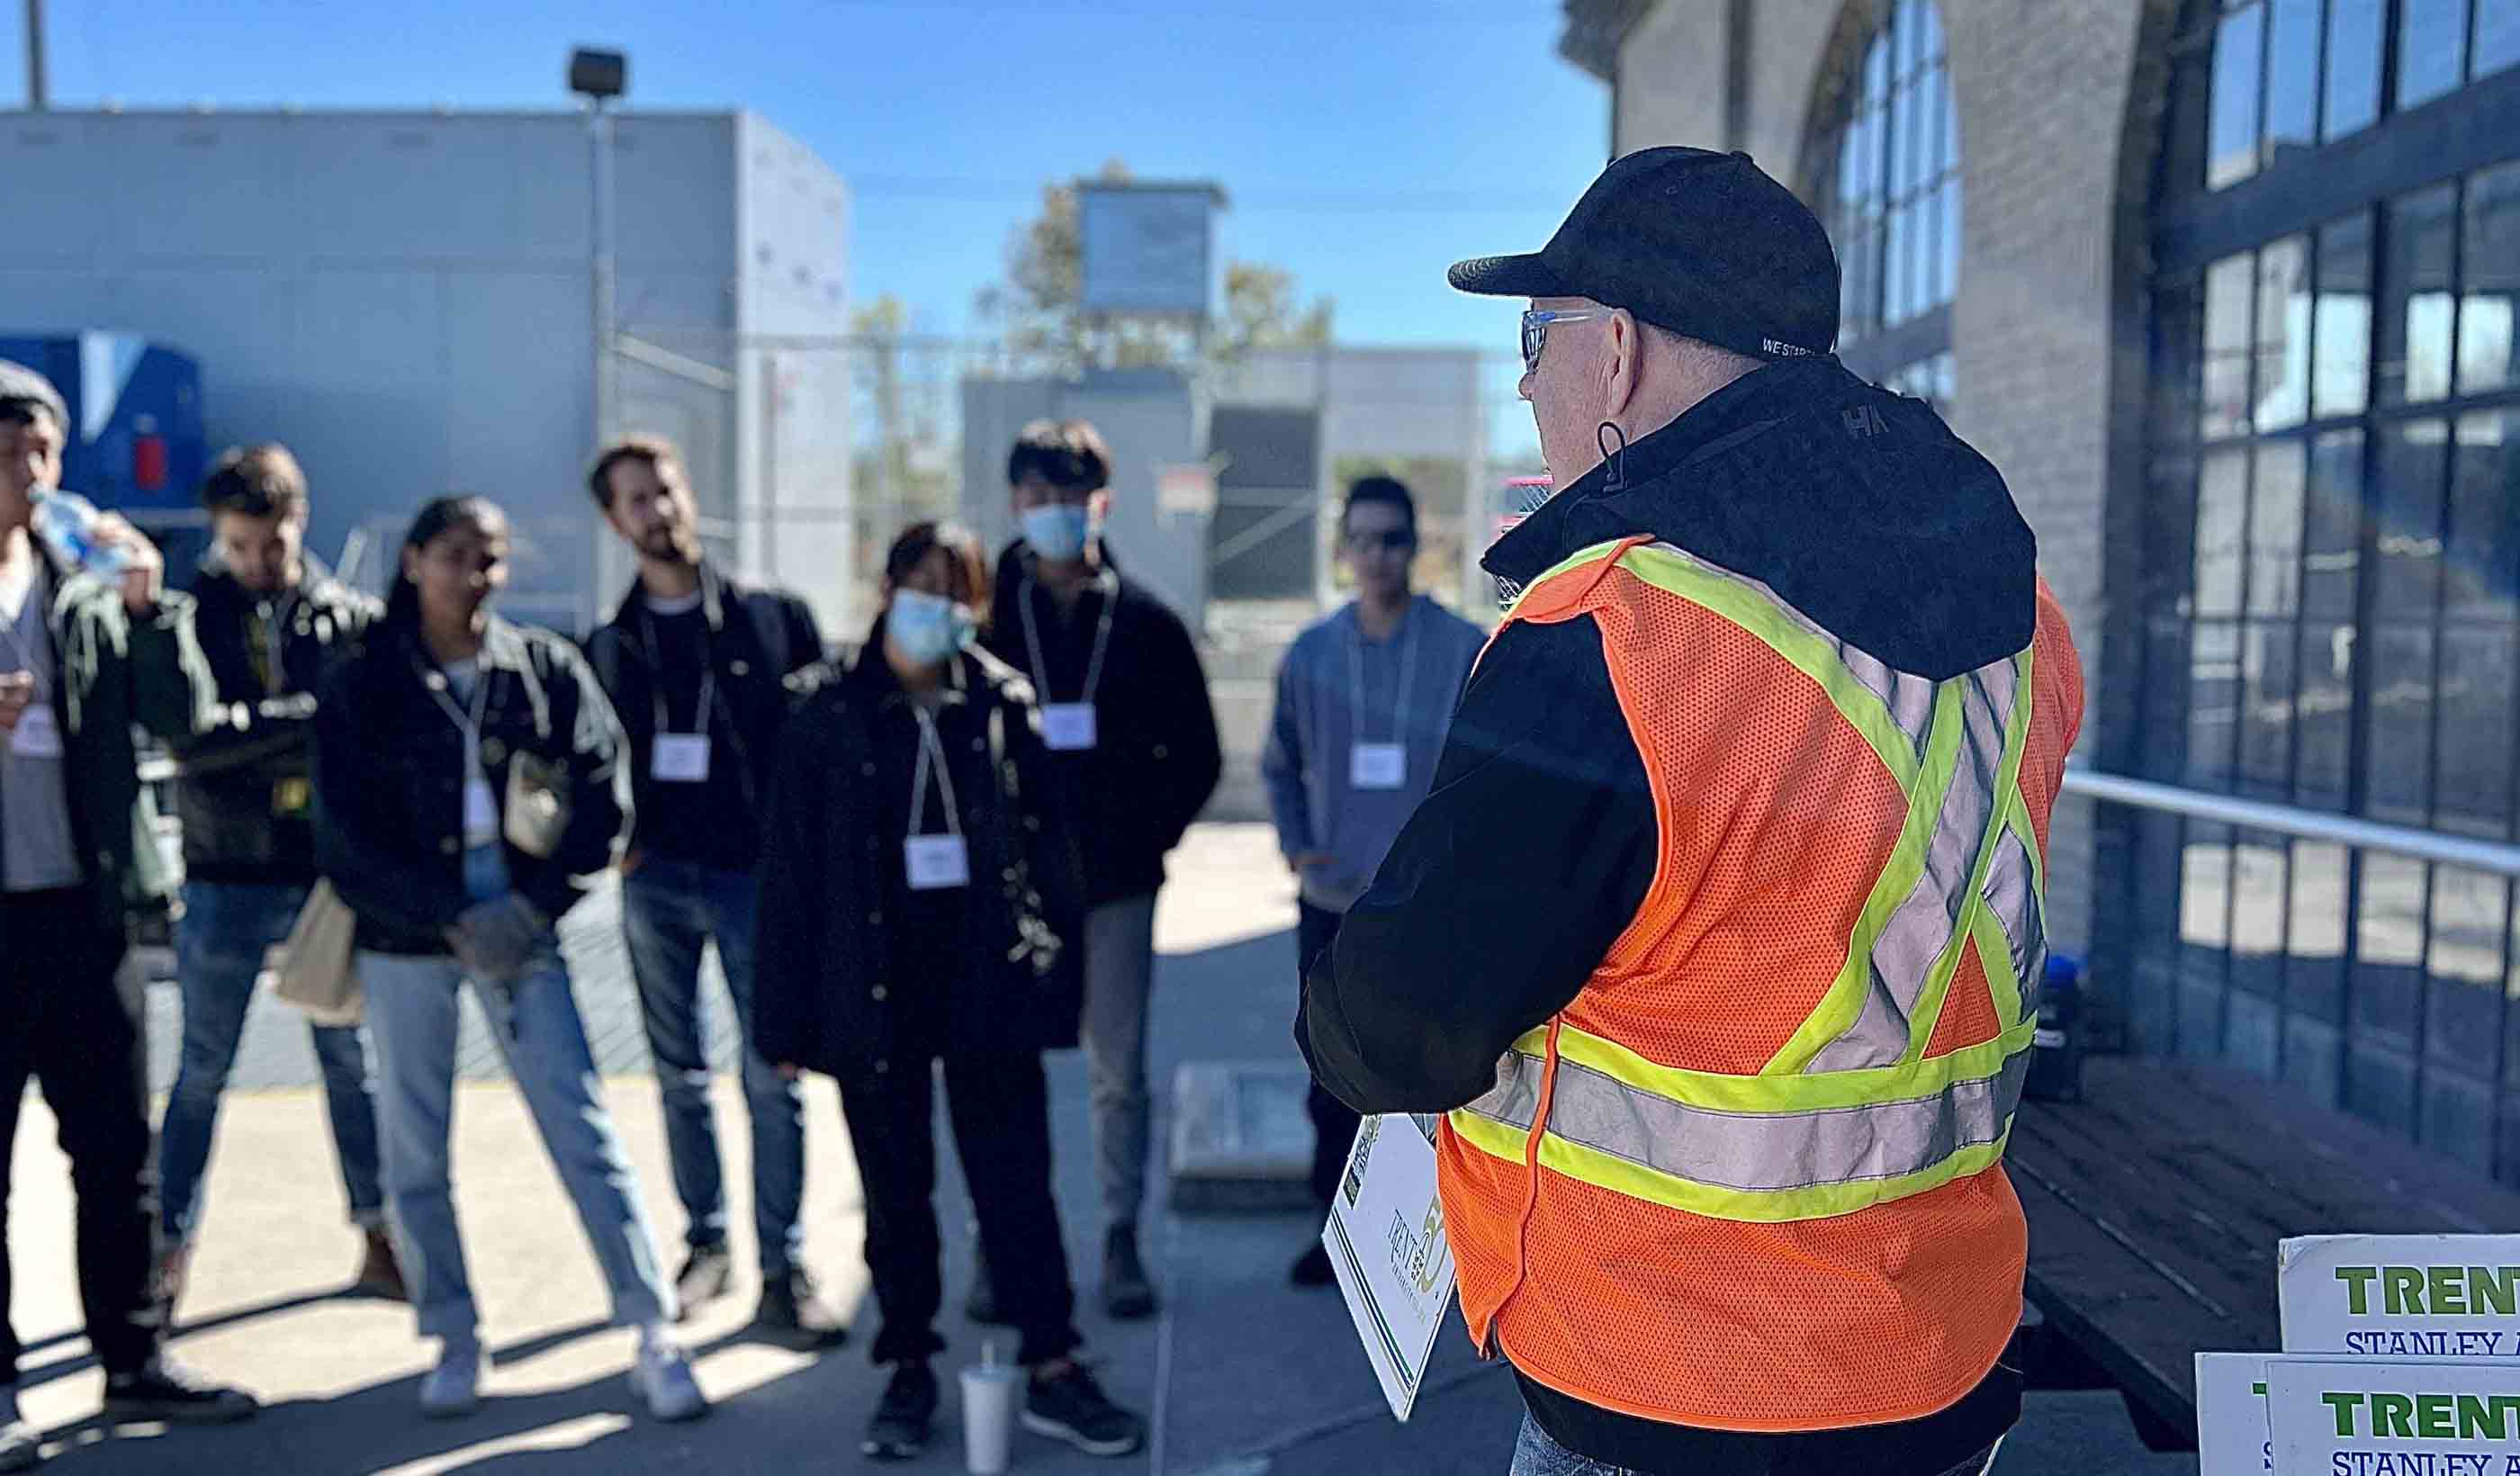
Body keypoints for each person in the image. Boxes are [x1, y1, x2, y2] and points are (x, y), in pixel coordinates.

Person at [1299, 148, 2083, 1476]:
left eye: (1536, 342)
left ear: (1614, 352)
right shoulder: (2026, 621)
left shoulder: (1617, 632)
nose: (1526, 382)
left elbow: (1399, 1030)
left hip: (1668, 1377)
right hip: (1936, 1357)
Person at [755, 523, 1146, 1461]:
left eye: (958, 591)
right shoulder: (824, 711)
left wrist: (1053, 977)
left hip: (984, 981)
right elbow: (790, 876)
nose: (941, 607)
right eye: (923, 585)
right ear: (886, 586)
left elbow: (1052, 855)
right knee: (896, 1192)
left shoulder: (1000, 701)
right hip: (871, 984)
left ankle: (1052, 1359)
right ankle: (907, 1366)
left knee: (1015, 1182)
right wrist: (783, 1015)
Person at [311, 495, 705, 1423]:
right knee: (415, 1142)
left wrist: (530, 907)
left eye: (488, 559)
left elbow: (604, 796)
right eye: (454, 556)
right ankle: (452, 1332)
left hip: (521, 929)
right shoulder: (364, 678)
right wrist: (444, 913)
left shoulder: (539, 668)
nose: (474, 575)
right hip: (410, 934)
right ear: (412, 562)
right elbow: (343, 834)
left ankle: (651, 1325)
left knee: (581, 1125)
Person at [0, 362, 257, 1473]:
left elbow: (187, 717)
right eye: (7, 451)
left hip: (87, 909)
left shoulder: (87, 583)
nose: (27, 472)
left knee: (118, 1152)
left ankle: (136, 1355)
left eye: (41, 452)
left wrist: (155, 610)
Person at [583, 435, 838, 1342]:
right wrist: (611, 843)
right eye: (635, 500)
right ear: (615, 521)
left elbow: (822, 752)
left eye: (666, 489)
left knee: (774, 1072)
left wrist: (808, 866)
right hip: (655, 881)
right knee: (678, 1075)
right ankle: (708, 1242)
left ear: (690, 495)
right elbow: (584, 761)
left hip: (755, 883)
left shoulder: (772, 619)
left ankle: (784, 1263)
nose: (658, 509)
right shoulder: (610, 644)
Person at [981, 420, 1220, 1322]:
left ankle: (1119, 1234)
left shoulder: (1146, 621)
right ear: (1015, 504)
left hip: (1115, 885)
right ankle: (1001, 1240)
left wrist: (1140, 836)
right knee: (1000, 1067)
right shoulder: (988, 616)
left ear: (1101, 504)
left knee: (1115, 1070)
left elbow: (1193, 753)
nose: (1054, 515)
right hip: (1009, 892)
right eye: (1038, 498)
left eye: (1071, 499)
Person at [156, 443, 400, 1312]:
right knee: (200, 1072)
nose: (260, 562)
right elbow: (190, 738)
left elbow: (366, 731)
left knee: (352, 1065)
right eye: (241, 546)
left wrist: (251, 732)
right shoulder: (188, 618)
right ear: (219, 537)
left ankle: (381, 1236)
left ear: (303, 521)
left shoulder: (349, 620)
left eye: (275, 542)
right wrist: (304, 719)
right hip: (223, 874)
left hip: (321, 878)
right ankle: (167, 1251)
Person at [1260, 474, 1483, 1289]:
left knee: (1435, 1077)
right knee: (1330, 1073)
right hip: (1332, 904)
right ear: (1343, 548)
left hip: (1426, 912)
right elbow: (1278, 764)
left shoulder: (1461, 650)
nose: (1379, 555)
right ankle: (1337, 1239)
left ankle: (1440, 1250)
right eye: (1364, 539)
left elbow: (1485, 776)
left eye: (1394, 539)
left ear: (1415, 546)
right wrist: (1296, 846)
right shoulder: (1313, 654)